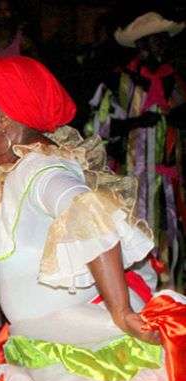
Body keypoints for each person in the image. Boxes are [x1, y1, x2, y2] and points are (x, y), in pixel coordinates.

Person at [0, 55, 186, 381]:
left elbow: (89, 211)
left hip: (70, 340)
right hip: (41, 338)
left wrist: (119, 311)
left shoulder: (42, 171)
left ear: (2, 119)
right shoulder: (18, 170)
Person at [85, 12, 185, 287]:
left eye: (165, 40)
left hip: (170, 182)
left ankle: (170, 298)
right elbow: (96, 129)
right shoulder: (119, 82)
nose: (162, 45)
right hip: (132, 181)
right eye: (156, 40)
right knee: (136, 237)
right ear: (141, 45)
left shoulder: (175, 81)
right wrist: (135, 122)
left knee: (170, 240)